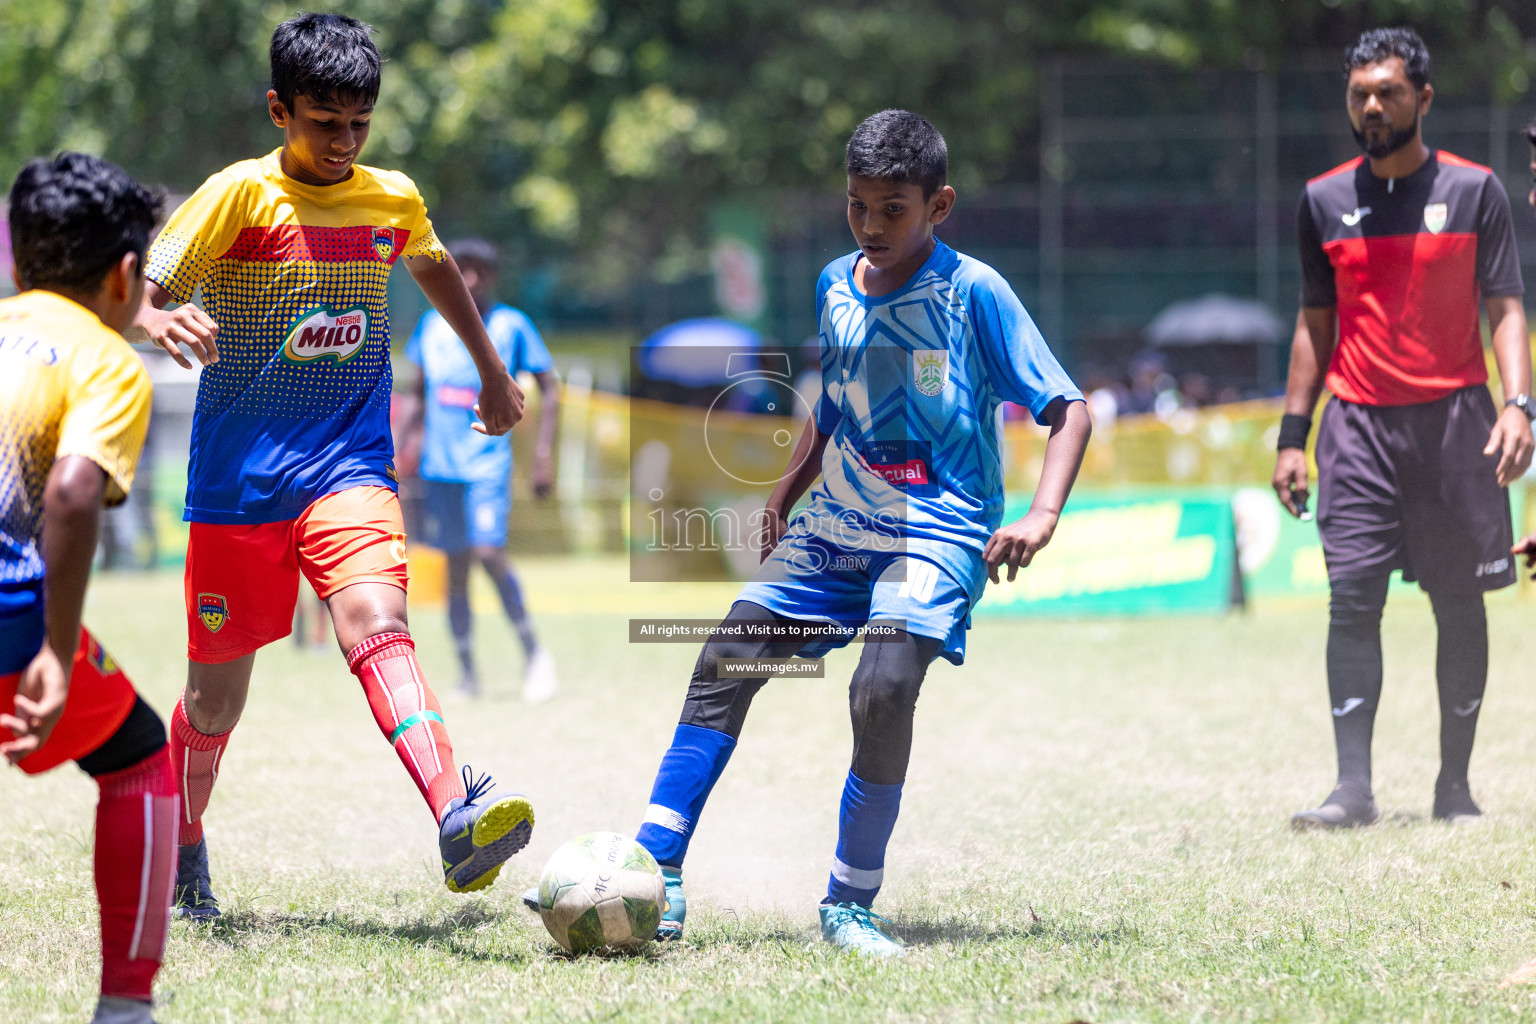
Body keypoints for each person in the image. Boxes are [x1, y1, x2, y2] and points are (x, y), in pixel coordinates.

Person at [522, 110, 1091, 956]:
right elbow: (835, 401)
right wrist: (789, 489)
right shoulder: (836, 282)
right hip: (835, 525)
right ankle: (661, 873)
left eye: (892, 208)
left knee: (882, 687)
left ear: (940, 206)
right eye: (857, 205)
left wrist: (1042, 516)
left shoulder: (975, 293)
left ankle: (848, 904)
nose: (871, 226)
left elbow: (1067, 409)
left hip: (935, 529)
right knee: (726, 658)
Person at [132, 13, 533, 919]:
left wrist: (494, 373)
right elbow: (144, 296)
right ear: (280, 110)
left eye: (358, 123)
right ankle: (183, 837)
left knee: (375, 619)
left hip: (350, 465)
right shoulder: (237, 195)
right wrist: (157, 321)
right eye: (323, 121)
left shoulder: (390, 197)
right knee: (214, 700)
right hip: (237, 487)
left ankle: (455, 814)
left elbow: (432, 269)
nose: (343, 142)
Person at [1274, 28, 1530, 830]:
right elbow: (1314, 324)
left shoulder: (1477, 189)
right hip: (1356, 431)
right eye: (1359, 94)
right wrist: (1291, 435)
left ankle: (1454, 790)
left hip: (1457, 424)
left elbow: (1506, 309)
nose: (1372, 106)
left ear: (1423, 96)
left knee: (1460, 603)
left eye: (1387, 91)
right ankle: (1352, 790)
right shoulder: (1320, 200)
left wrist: (1519, 405)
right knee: (1351, 602)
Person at [1, 153, 175, 1024]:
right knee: (140, 754)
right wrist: (56, 654)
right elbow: (71, 492)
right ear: (127, 275)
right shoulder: (104, 361)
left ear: (17, 262)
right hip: (4, 616)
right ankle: (125, 1006)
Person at [403, 237, 560, 701]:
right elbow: (418, 393)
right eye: (461, 269)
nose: (467, 279)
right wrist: (396, 448)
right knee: (454, 567)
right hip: (439, 466)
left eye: (477, 271)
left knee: (488, 554)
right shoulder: (431, 325)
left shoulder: (513, 325)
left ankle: (535, 654)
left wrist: (543, 455)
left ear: (491, 276)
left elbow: (549, 390)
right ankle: (468, 674)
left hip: (487, 464)